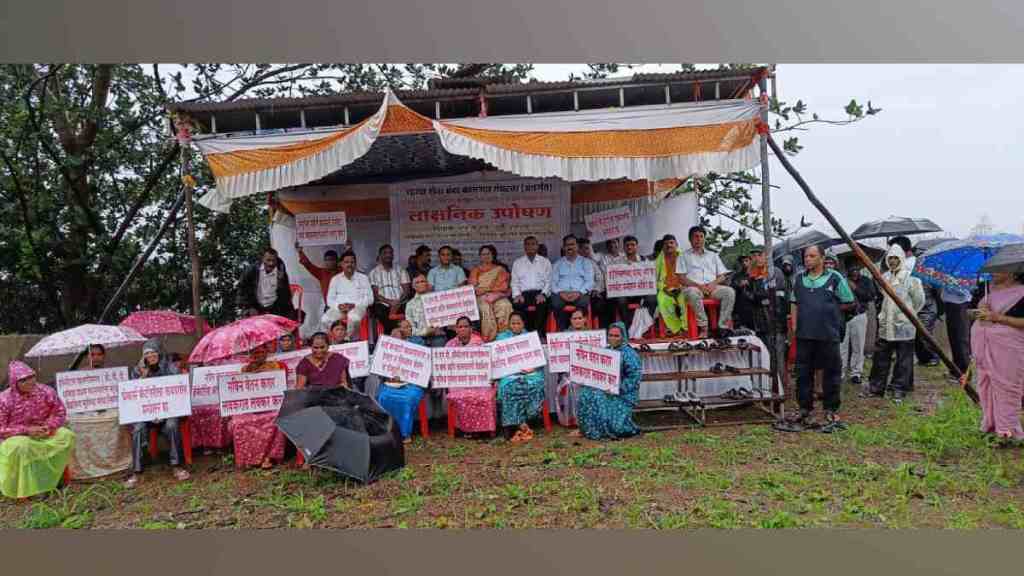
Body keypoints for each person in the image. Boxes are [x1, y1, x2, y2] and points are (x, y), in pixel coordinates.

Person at [777, 245, 856, 433]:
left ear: (821, 258)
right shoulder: (799, 279)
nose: (807, 259)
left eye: (812, 256)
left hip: (828, 334)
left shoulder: (835, 278)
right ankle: (805, 409)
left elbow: (849, 301)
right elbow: (794, 303)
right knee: (803, 374)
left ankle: (830, 410)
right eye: (805, 256)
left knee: (831, 373)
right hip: (805, 335)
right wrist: (795, 326)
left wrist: (830, 312)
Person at [0, 361, 75, 499]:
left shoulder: (46, 391)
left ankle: (56, 480)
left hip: (45, 432)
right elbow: (1, 428)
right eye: (23, 380)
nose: (29, 382)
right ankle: (31, 490)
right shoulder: (4, 399)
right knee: (23, 446)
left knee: (66, 435)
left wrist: (49, 426)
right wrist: (26, 430)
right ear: (14, 382)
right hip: (17, 437)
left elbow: (59, 412)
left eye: (31, 377)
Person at [970, 271, 1024, 445]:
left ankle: (1008, 432)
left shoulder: (1021, 293)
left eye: (999, 268)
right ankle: (990, 425)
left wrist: (997, 317)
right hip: (984, 346)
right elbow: (969, 312)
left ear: (1013, 272)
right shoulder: (985, 289)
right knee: (986, 385)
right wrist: (979, 313)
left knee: (1007, 387)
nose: (992, 272)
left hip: (1008, 348)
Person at [126, 340, 189, 487]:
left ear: (159, 353)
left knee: (172, 425)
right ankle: (137, 471)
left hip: (168, 412)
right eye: (147, 353)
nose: (150, 355)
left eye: (153, 352)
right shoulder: (137, 370)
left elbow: (178, 391)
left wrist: (163, 412)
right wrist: (143, 377)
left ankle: (177, 466)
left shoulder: (171, 368)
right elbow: (133, 395)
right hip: (146, 414)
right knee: (138, 429)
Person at [867, 244, 925, 402]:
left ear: (902, 258)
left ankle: (899, 388)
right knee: (881, 357)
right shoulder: (884, 277)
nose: (893, 261)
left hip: (904, 327)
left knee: (903, 360)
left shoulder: (910, 278)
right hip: (886, 325)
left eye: (896, 258)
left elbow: (919, 301)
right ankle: (876, 387)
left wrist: (907, 315)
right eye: (890, 258)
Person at [573, 321, 642, 440]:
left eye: (616, 336)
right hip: (606, 388)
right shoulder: (606, 350)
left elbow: (634, 379)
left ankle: (603, 430)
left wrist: (617, 389)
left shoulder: (630, 354)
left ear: (623, 336)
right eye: (610, 335)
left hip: (624, 393)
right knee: (585, 392)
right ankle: (587, 429)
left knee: (598, 397)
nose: (613, 338)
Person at [228, 342, 288, 469]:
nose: (258, 356)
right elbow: (241, 391)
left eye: (261, 352)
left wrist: (265, 373)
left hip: (272, 406)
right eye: (255, 353)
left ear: (267, 353)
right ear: (250, 355)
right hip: (251, 407)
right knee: (238, 422)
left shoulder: (277, 366)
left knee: (277, 418)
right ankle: (248, 458)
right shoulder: (245, 369)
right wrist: (252, 374)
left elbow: (281, 387)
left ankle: (269, 457)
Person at [495, 313, 546, 443]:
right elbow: (498, 360)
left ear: (523, 324)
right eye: (513, 323)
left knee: (535, 384)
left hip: (530, 373)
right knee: (509, 387)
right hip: (510, 374)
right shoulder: (501, 338)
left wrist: (533, 368)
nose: (516, 325)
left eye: (518, 323)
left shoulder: (530, 337)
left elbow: (539, 359)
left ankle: (523, 422)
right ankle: (514, 425)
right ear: (509, 324)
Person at [679, 226, 735, 338]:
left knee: (729, 292)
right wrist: (699, 286)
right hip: (694, 288)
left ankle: (722, 326)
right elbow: (681, 278)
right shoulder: (683, 256)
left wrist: (712, 284)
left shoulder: (713, 255)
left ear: (704, 239)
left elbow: (722, 276)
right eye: (695, 236)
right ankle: (704, 327)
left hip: (712, 287)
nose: (698, 239)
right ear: (690, 239)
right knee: (692, 292)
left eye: (701, 236)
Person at [445, 317, 496, 437]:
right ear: (456, 329)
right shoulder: (449, 345)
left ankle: (484, 429)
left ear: (471, 329)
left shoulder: (479, 343)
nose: (463, 329)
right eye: (460, 327)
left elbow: (486, 364)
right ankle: (465, 429)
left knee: (482, 395)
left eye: (466, 326)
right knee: (460, 395)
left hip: (478, 381)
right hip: (459, 381)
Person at [376, 327, 427, 443]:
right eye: (393, 338)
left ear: (405, 339)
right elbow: (381, 372)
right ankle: (388, 431)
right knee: (383, 396)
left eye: (399, 338)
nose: (396, 341)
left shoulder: (415, 351)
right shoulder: (386, 352)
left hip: (411, 385)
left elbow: (421, 372)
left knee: (407, 399)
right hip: (390, 384)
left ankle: (405, 433)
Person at [840, 261, 877, 390]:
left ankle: (856, 373)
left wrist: (855, 288)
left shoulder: (866, 280)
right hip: (843, 316)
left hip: (859, 316)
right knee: (842, 346)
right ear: (847, 269)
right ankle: (841, 372)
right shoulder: (841, 280)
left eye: (857, 268)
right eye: (852, 268)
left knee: (858, 346)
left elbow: (870, 296)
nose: (854, 271)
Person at [553, 309, 591, 427]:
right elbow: (560, 358)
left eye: (580, 318)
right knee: (571, 383)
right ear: (570, 321)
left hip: (588, 371)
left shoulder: (592, 335)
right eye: (574, 318)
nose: (578, 321)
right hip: (569, 372)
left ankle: (588, 418)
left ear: (585, 319)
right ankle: (572, 419)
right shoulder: (564, 335)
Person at [611, 235, 658, 330]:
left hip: (641, 292)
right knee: (620, 300)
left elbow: (650, 277)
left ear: (637, 246)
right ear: (623, 247)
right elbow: (612, 279)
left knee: (652, 299)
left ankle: (644, 325)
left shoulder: (644, 260)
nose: (630, 247)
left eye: (632, 245)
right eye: (627, 245)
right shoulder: (616, 262)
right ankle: (628, 326)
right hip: (624, 293)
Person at [323, 251, 374, 339]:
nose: (349, 264)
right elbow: (329, 300)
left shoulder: (363, 278)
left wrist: (354, 305)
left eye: (352, 262)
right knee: (325, 320)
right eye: (346, 262)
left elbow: (370, 299)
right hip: (339, 309)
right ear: (341, 264)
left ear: (355, 264)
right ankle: (334, 340)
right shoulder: (335, 279)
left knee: (353, 318)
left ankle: (349, 340)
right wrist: (339, 306)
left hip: (357, 307)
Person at [551, 235, 595, 332]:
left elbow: (590, 281)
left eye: (572, 244)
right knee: (556, 304)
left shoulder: (586, 262)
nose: (570, 247)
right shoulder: (557, 263)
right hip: (561, 293)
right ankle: (561, 331)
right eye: (567, 245)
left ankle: (581, 332)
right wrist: (561, 293)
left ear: (577, 246)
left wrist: (579, 292)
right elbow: (553, 283)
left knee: (583, 303)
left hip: (580, 293)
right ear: (563, 247)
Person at [469, 245, 513, 342]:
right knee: (485, 308)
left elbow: (504, 286)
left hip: (498, 295)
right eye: (483, 254)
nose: (486, 256)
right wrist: (484, 292)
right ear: (480, 256)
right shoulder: (475, 270)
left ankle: (504, 336)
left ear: (493, 255)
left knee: (505, 305)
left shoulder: (500, 269)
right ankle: (489, 338)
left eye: (488, 253)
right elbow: (473, 288)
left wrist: (491, 292)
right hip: (481, 297)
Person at [237, 248, 296, 319]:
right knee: (250, 325)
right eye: (268, 260)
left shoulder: (281, 273)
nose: (271, 263)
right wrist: (248, 307)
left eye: (273, 260)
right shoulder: (252, 270)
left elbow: (286, 295)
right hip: (255, 306)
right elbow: (242, 288)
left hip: (275, 307)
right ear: (263, 259)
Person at [511, 236, 553, 336]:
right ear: (524, 247)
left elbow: (549, 281)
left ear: (537, 246)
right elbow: (514, 282)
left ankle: (539, 333)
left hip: (540, 292)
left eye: (533, 244)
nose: (530, 246)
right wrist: (517, 295)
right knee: (517, 305)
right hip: (524, 294)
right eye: (527, 244)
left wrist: (543, 294)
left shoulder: (545, 262)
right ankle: (524, 333)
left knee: (542, 305)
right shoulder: (518, 262)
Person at [369, 245, 411, 336]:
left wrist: (397, 302)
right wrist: (390, 302)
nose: (388, 255)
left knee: (409, 308)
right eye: (385, 253)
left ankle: (401, 335)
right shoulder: (373, 273)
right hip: (383, 303)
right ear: (380, 255)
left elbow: (407, 290)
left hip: (401, 302)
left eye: (390, 253)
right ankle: (392, 334)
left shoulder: (401, 270)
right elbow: (375, 294)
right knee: (379, 311)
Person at [654, 234, 689, 337]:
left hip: (682, 287)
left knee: (685, 300)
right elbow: (654, 279)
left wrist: (682, 286)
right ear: (663, 246)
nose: (669, 245)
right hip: (666, 289)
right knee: (662, 301)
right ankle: (676, 329)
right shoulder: (659, 260)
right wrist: (663, 288)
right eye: (666, 244)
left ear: (676, 244)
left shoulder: (684, 257)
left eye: (671, 243)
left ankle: (685, 327)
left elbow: (691, 275)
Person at [405, 274, 448, 347]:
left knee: (439, 341)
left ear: (427, 284)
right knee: (415, 342)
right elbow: (410, 328)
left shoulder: (437, 299)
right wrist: (425, 332)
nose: (420, 284)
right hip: (419, 336)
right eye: (417, 282)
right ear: (413, 286)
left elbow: (445, 318)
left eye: (422, 281)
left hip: (437, 334)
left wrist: (438, 329)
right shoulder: (410, 304)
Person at [942, 284, 973, 383]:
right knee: (954, 338)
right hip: (951, 302)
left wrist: (950, 283)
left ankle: (963, 372)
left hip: (959, 302)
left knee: (960, 337)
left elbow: (964, 289)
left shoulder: (963, 273)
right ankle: (955, 370)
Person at [578, 238, 610, 329]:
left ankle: (602, 330)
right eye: (585, 248)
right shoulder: (574, 263)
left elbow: (599, 278)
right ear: (579, 250)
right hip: (579, 294)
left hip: (593, 293)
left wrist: (596, 289)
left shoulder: (592, 262)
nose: (587, 251)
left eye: (588, 249)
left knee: (604, 304)